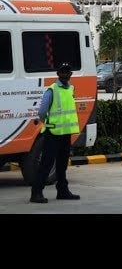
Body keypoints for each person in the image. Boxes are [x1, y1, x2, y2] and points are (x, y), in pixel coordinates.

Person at [31, 62, 81, 203]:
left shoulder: (71, 89)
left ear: (70, 74)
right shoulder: (51, 90)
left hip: (65, 133)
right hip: (52, 133)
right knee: (46, 164)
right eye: (62, 72)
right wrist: (47, 122)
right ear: (58, 74)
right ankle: (36, 193)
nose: (65, 74)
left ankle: (63, 191)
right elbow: (42, 112)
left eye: (67, 72)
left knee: (62, 164)